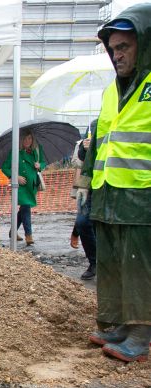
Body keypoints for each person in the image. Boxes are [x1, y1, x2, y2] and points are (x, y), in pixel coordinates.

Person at [85, 6, 151, 363]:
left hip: (142, 194)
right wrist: (87, 183)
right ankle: (121, 324)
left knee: (138, 263)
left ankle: (141, 332)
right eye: (113, 49)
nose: (117, 54)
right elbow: (101, 140)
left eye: (125, 46)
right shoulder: (115, 90)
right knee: (114, 262)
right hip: (110, 191)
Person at [0, 129, 46, 246]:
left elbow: (43, 163)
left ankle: (13, 231)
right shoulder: (15, 152)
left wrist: (39, 165)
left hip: (32, 185)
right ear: (20, 140)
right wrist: (15, 177)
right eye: (25, 139)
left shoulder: (37, 150)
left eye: (29, 138)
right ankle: (28, 235)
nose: (27, 141)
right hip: (21, 186)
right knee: (26, 207)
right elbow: (5, 168)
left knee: (23, 209)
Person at [71, 123, 97, 280]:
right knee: (82, 222)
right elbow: (79, 161)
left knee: (102, 226)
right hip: (89, 184)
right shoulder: (94, 125)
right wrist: (84, 148)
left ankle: (108, 263)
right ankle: (94, 262)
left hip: (112, 185)